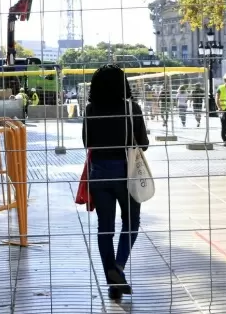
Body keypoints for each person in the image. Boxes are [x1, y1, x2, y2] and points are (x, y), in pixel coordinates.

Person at [82, 64, 149, 300]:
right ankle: (118, 268)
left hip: (99, 171)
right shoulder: (132, 108)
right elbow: (143, 143)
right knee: (131, 222)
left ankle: (113, 280)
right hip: (126, 171)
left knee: (105, 228)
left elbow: (86, 141)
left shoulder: (91, 109)